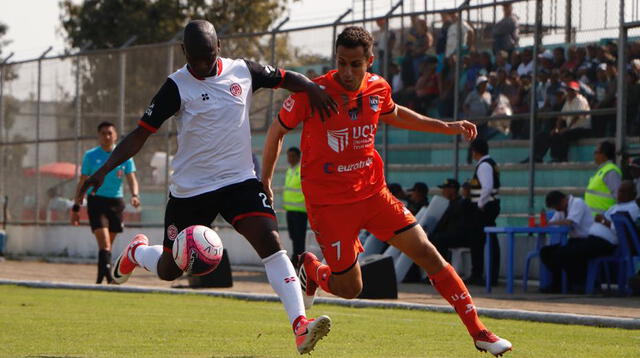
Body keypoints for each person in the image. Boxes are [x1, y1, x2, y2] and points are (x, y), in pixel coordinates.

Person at [75, 20, 338, 355]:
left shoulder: (244, 71)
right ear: (184, 53)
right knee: (170, 270)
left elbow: (286, 78)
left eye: (208, 57)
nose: (201, 65)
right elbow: (141, 133)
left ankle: (300, 327)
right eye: (195, 59)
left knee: (271, 244)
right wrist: (104, 170)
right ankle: (137, 253)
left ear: (220, 46)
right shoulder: (176, 86)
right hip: (190, 191)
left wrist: (313, 89)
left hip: (239, 181)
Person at [261, 26, 512, 357]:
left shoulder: (378, 88)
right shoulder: (314, 92)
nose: (347, 72)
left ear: (370, 61)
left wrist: (445, 126)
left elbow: (395, 114)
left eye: (355, 64)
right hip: (329, 205)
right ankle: (313, 269)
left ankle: (479, 332)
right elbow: (277, 131)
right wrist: (264, 181)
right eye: (341, 63)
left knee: (426, 251)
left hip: (373, 194)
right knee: (350, 288)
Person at [71, 121, 140, 284]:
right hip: (96, 202)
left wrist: (135, 194)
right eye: (103, 133)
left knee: (107, 245)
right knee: (105, 243)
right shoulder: (91, 156)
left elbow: (132, 178)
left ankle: (101, 278)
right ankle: (107, 278)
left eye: (110, 133)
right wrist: (76, 206)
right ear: (98, 136)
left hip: (116, 203)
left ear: (115, 135)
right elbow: (83, 181)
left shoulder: (123, 155)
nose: (107, 136)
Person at [539, 190, 595, 293]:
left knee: (564, 254)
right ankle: (557, 284)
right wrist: (545, 224)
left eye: (557, 206)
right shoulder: (560, 210)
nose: (557, 210)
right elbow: (552, 223)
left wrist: (549, 223)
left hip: (585, 240)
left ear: (563, 200)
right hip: (573, 240)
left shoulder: (577, 203)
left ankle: (577, 284)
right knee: (545, 252)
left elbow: (569, 222)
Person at [467, 139, 501, 286]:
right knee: (486, 240)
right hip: (490, 206)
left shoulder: (484, 165)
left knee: (478, 241)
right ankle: (487, 275)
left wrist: (480, 205)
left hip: (485, 208)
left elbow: (487, 187)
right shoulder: (489, 164)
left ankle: (478, 274)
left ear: (475, 151)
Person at [430, 179, 476, 264]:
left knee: (438, 239)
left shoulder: (462, 204)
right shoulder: (448, 204)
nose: (443, 191)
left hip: (461, 237)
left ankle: (442, 269)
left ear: (453, 189)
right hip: (451, 235)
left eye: (445, 188)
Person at [283, 147, 308, 266]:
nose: (290, 158)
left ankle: (300, 260)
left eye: (293, 156)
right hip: (290, 210)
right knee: (293, 237)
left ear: (298, 157)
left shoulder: (302, 170)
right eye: (289, 156)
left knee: (299, 238)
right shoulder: (290, 170)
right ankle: (296, 258)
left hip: (300, 211)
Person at [585, 140, 621, 216]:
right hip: (596, 219)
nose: (594, 154)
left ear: (603, 154)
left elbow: (618, 197)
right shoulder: (602, 170)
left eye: (596, 152)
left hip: (604, 219)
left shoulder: (611, 171)